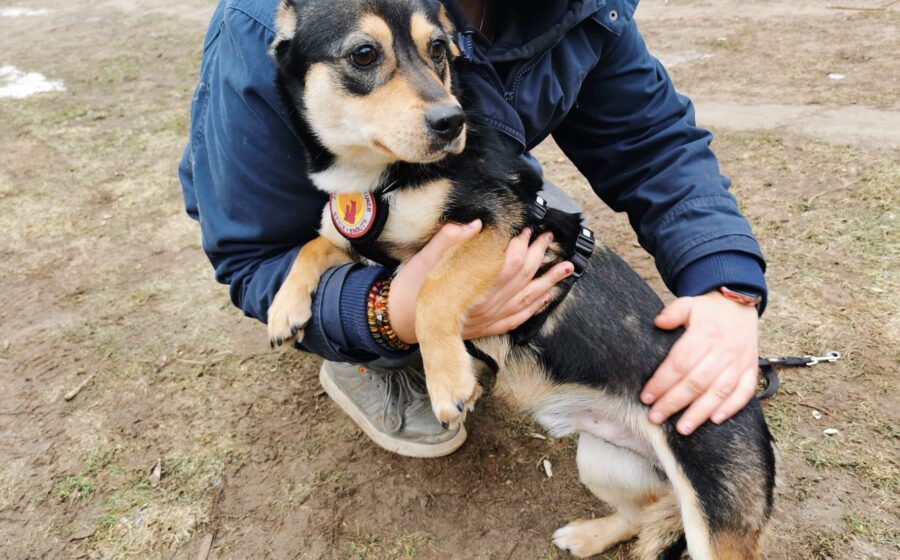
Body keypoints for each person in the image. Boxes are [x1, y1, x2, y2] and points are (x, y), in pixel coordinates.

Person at [179, 0, 767, 458]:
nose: (442, 101)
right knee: (361, 275)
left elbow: (650, 143)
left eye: (438, 51)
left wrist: (726, 284)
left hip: (459, 183)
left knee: (541, 213)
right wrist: (391, 313)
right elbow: (255, 256)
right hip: (320, 211)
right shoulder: (259, 23)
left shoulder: (583, 7)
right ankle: (371, 365)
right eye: (363, 58)